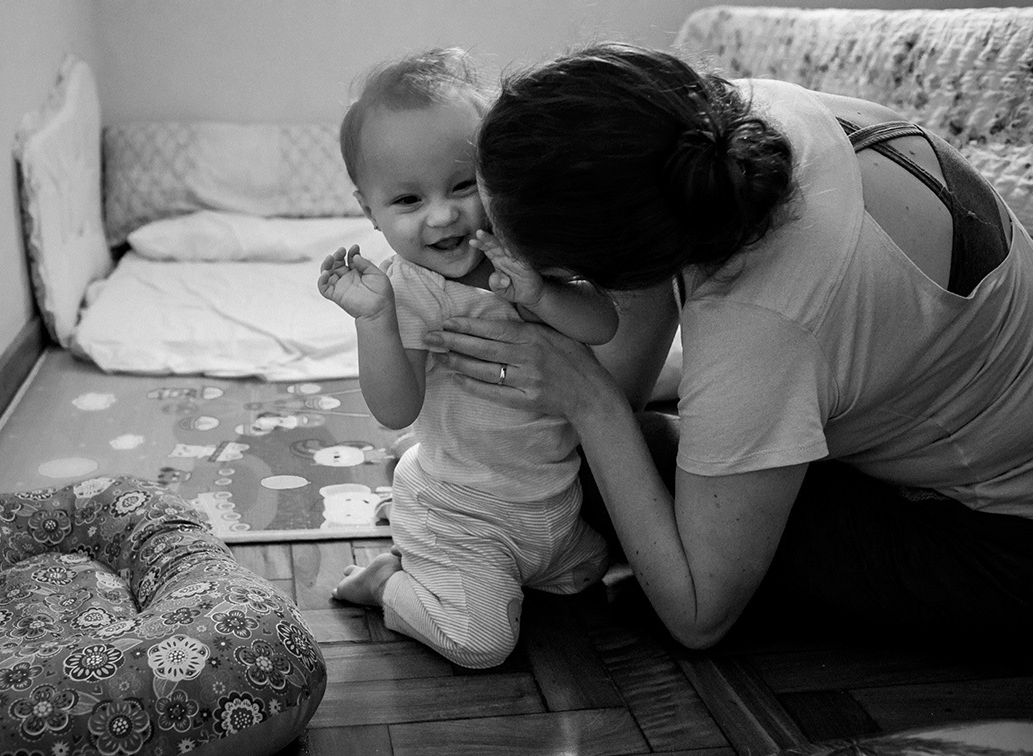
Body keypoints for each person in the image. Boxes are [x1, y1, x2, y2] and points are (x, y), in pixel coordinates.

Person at [422, 42, 1033, 650]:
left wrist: (588, 401)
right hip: (950, 411)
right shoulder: (717, 126)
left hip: (997, 540)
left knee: (588, 462)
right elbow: (636, 353)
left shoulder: (760, 324)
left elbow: (698, 617)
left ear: (609, 269)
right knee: (579, 440)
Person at [317, 47, 619, 668]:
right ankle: (389, 583)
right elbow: (396, 409)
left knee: (593, 571)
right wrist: (375, 321)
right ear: (367, 211)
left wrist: (540, 292)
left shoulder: (526, 252)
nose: (443, 213)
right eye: (407, 201)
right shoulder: (411, 289)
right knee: (481, 644)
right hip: (461, 510)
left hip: (551, 504)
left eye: (463, 185)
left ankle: (470, 566)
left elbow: (603, 323)